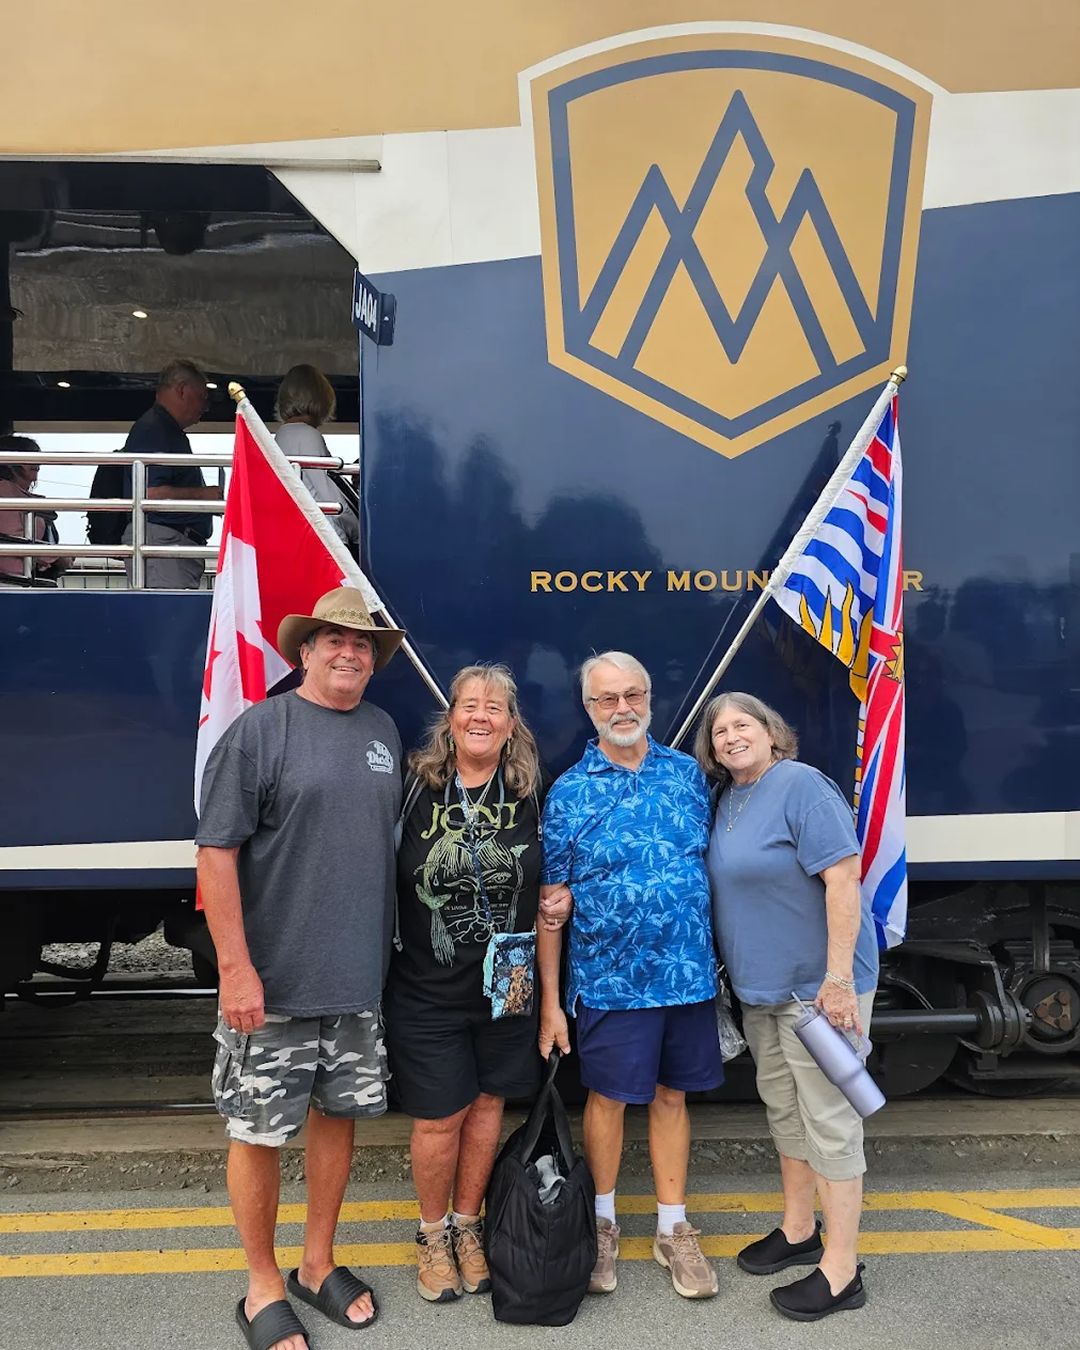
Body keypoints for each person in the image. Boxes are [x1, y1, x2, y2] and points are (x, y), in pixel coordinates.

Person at [196, 587, 406, 1350]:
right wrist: (235, 970)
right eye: (334, 640)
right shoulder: (262, 731)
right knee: (257, 1132)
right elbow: (215, 852)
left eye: (362, 644)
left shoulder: (382, 731)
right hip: (272, 986)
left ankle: (316, 1265)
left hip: (354, 984)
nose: (349, 652)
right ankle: (260, 1285)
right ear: (305, 651)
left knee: (336, 1121)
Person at [538, 651, 722, 1300]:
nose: (623, 708)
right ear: (588, 710)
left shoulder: (686, 777)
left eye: (633, 694)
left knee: (674, 1096)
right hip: (611, 980)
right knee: (608, 1100)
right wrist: (552, 1004)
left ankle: (673, 1228)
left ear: (650, 698)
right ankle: (603, 1222)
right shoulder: (568, 792)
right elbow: (551, 908)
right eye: (606, 698)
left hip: (688, 977)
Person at [385, 663, 572, 1303]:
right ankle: (431, 1234)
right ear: (451, 717)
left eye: (495, 708)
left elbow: (556, 875)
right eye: (469, 705)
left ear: (511, 723)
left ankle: (469, 1228)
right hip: (425, 988)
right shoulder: (414, 786)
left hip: (508, 987)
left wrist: (559, 905)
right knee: (440, 1116)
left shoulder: (530, 792)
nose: (481, 717)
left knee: (490, 1105)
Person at [696, 691, 878, 1322]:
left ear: (772, 732)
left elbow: (843, 878)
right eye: (719, 731)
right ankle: (800, 1231)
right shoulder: (729, 800)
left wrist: (836, 981)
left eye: (742, 723)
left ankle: (842, 1269)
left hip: (816, 992)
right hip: (763, 992)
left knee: (830, 1117)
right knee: (785, 1110)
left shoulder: (802, 787)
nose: (729, 736)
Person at [121, 359, 222, 589]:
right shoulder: (153, 429)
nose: (205, 407)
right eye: (202, 397)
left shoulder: (163, 428)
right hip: (164, 545)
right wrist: (203, 496)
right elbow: (150, 494)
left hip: (171, 546)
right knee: (166, 619)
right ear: (183, 390)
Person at [274, 365, 358, 550]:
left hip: (297, 537)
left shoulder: (280, 437)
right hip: (324, 540)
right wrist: (359, 529)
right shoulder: (307, 435)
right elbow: (332, 499)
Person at [0, 440, 72, 582]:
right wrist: (57, 556)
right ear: (9, 462)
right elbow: (13, 537)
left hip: (21, 578)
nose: (36, 462)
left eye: (36, 456)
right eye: (27, 456)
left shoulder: (19, 494)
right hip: (12, 581)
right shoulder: (4, 490)